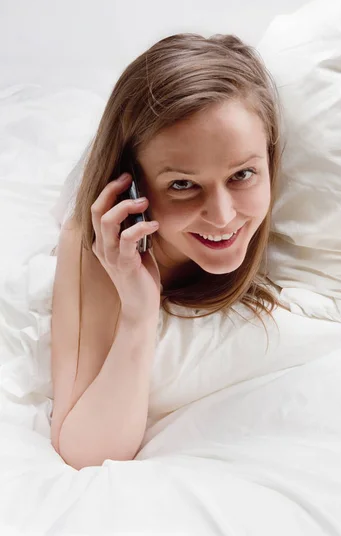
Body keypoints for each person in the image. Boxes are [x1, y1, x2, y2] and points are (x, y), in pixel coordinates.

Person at [50, 33, 288, 470]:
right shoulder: (91, 243)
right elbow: (84, 450)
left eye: (243, 175)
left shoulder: (280, 197)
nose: (221, 216)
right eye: (182, 184)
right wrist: (138, 312)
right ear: (134, 187)